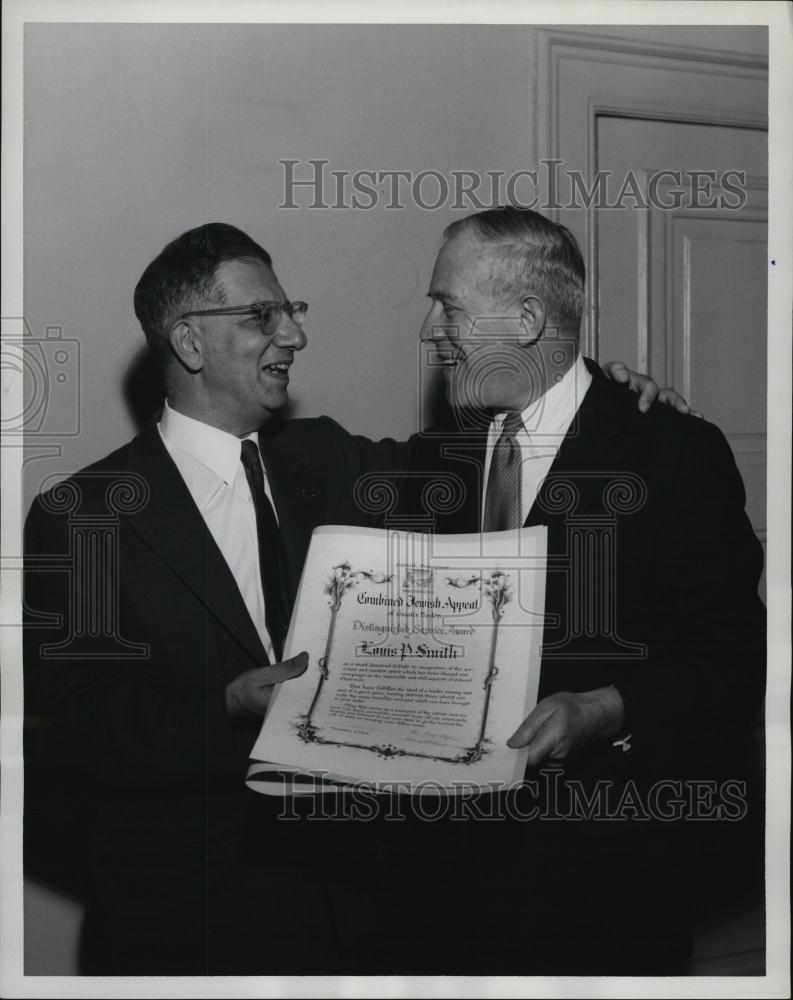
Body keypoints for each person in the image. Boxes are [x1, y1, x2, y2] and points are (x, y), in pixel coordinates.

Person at [23, 221, 688, 975]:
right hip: (186, 920)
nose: (294, 335)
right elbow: (60, 726)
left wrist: (602, 395)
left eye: (292, 308)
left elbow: (520, 453)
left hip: (358, 912)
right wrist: (226, 709)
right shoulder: (86, 513)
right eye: (261, 316)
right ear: (189, 342)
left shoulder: (329, 460)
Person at [382, 206, 766, 974]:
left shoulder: (671, 450)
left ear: (526, 318)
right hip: (446, 875)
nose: (429, 328)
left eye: (446, 305)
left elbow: (731, 659)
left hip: (606, 877)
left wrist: (601, 709)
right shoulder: (437, 457)